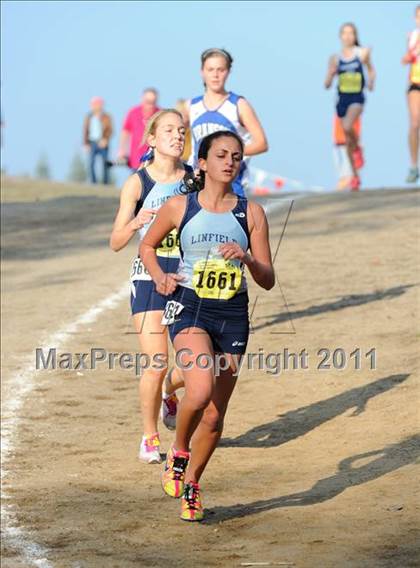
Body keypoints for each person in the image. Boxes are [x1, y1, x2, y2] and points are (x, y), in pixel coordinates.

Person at [139, 130, 275, 522]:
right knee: (198, 389)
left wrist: (247, 259)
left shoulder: (251, 214)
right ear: (202, 162)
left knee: (215, 416)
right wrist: (160, 277)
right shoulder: (181, 207)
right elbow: (147, 246)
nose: (229, 161)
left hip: (232, 314)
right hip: (189, 307)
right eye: (220, 155)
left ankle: (193, 483)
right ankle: (179, 451)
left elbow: (267, 278)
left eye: (235, 156)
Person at [110, 109, 191, 464]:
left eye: (182, 130)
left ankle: (167, 397)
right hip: (149, 276)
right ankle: (149, 437)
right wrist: (135, 223)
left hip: (187, 278)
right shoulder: (137, 183)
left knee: (195, 365)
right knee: (157, 363)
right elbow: (115, 240)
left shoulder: (193, 178)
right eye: (170, 130)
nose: (177, 135)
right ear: (153, 139)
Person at [187, 48, 268, 197]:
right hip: (199, 184)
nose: (215, 75)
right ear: (202, 72)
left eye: (221, 69)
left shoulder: (239, 104)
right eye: (210, 69)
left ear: (228, 72)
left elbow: (261, 143)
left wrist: (227, 155)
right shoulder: (190, 106)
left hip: (232, 185)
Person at [325, 23, 375, 191]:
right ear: (340, 36)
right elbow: (326, 84)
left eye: (351, 33)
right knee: (347, 140)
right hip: (342, 100)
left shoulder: (361, 53)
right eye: (344, 33)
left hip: (357, 98)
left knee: (347, 126)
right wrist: (331, 74)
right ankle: (355, 176)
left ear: (355, 36)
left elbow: (371, 70)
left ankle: (357, 147)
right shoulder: (335, 58)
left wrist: (371, 82)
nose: (347, 36)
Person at [118, 88, 160, 172]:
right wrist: (122, 150)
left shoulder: (160, 114)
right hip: (136, 157)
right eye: (148, 102)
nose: (150, 105)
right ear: (142, 100)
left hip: (155, 158)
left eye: (153, 102)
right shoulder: (133, 112)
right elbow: (125, 131)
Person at [402, 5, 420, 183]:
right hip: (415, 84)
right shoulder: (413, 36)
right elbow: (405, 59)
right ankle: (414, 166)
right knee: (415, 123)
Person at [83, 96, 113, 184]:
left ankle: (105, 183)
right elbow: (85, 130)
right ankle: (93, 182)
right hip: (92, 142)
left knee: (105, 164)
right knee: (91, 163)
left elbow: (110, 130)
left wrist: (105, 139)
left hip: (103, 142)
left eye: (97, 104)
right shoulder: (89, 117)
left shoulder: (106, 117)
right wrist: (85, 143)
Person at [333, 113, 362, 190]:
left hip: (348, 145)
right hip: (338, 144)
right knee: (343, 175)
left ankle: (340, 191)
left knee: (347, 175)